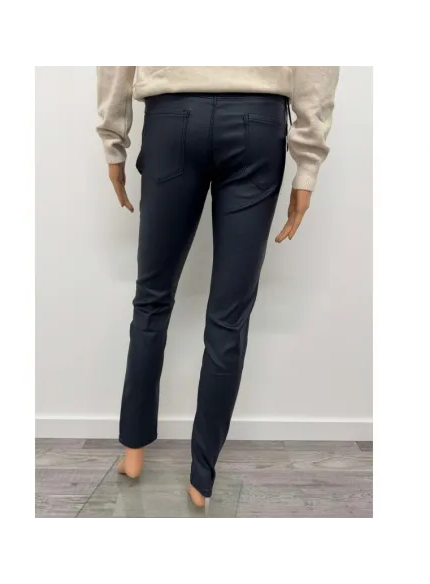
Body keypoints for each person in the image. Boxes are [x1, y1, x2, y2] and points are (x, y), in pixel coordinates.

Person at [96, 65, 339, 507]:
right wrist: (307, 166)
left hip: (172, 118)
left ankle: (133, 451)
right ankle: (201, 479)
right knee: (229, 317)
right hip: (258, 123)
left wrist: (114, 140)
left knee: (151, 300)